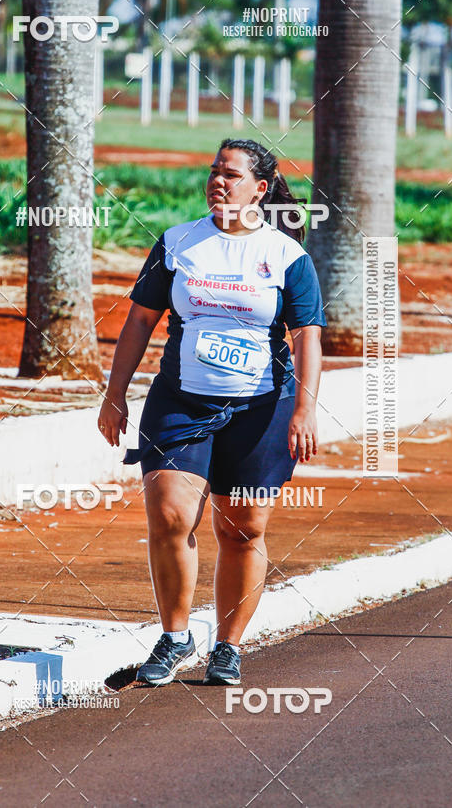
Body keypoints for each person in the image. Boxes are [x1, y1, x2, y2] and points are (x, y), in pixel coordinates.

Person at [97, 137, 326, 686]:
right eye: (213, 173)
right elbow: (138, 322)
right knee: (171, 516)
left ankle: (227, 646)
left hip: (261, 410)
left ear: (260, 188)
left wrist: (304, 411)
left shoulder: (287, 255)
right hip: (180, 400)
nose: (218, 182)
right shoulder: (178, 243)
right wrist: (114, 393)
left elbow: (308, 337)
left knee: (242, 530)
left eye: (231, 174)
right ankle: (175, 636)